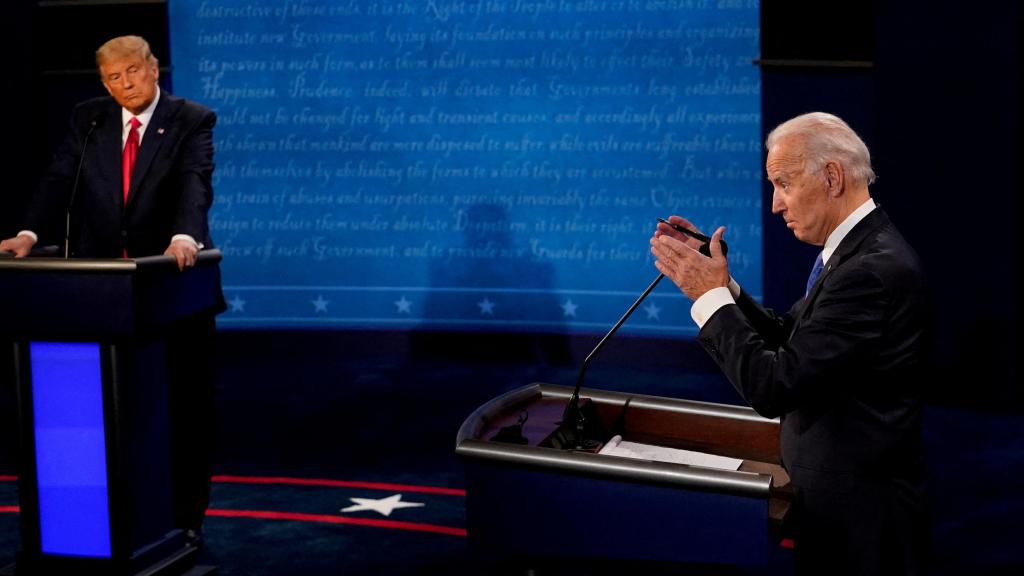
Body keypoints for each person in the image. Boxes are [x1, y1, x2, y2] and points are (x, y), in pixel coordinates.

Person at [650, 112, 929, 575]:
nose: (776, 205)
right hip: (839, 508)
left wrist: (709, 296)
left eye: (783, 183)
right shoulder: (854, 252)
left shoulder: (871, 272)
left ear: (832, 177)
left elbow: (774, 385)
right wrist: (726, 288)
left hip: (863, 526)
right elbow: (797, 342)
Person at [0, 35, 219, 539]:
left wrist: (184, 234)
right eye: (113, 78)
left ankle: (185, 522)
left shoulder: (191, 119)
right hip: (98, 294)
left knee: (182, 412)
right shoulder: (90, 118)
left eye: (133, 73)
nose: (125, 85)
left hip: (170, 287)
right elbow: (59, 178)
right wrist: (31, 233)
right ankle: (108, 522)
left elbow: (194, 181)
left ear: (153, 68)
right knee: (106, 414)